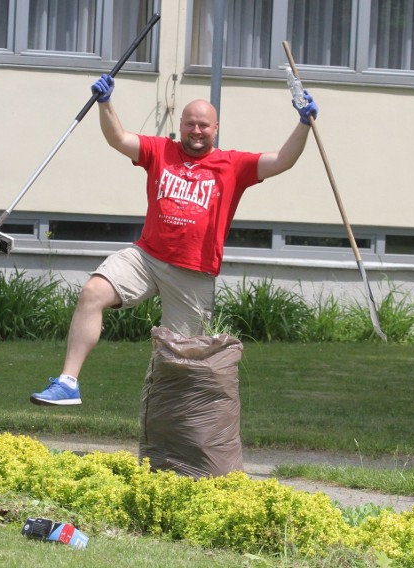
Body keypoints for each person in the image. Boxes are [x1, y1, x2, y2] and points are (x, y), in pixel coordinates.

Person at [30, 74, 319, 406]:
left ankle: (171, 431)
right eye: (190, 124)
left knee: (180, 361)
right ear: (181, 126)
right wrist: (105, 103)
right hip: (147, 257)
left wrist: (304, 124)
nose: (196, 131)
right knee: (93, 291)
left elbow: (282, 160)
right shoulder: (160, 151)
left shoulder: (233, 165)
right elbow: (119, 139)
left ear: (216, 128)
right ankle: (68, 383)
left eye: (203, 126)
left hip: (192, 272)